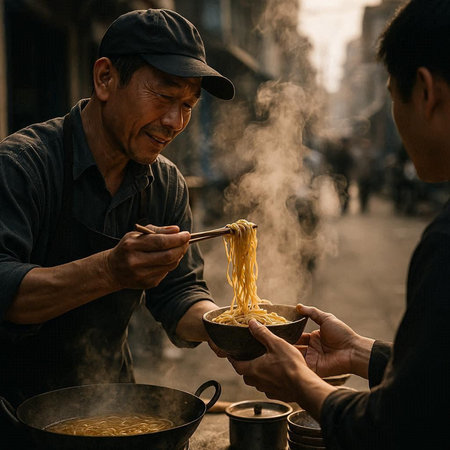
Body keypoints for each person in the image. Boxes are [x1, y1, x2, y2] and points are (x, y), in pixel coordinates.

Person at [0, 8, 234, 447]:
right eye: (164, 96)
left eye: (187, 105)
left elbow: (179, 294)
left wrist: (228, 327)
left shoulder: (165, 182)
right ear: (106, 78)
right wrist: (110, 270)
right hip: (14, 416)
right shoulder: (22, 166)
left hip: (113, 407)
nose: (175, 122)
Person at [228, 1, 450, 448]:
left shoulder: (445, 242)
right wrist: (361, 353)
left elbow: (399, 428)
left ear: (425, 92)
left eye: (391, 95)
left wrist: (297, 381)